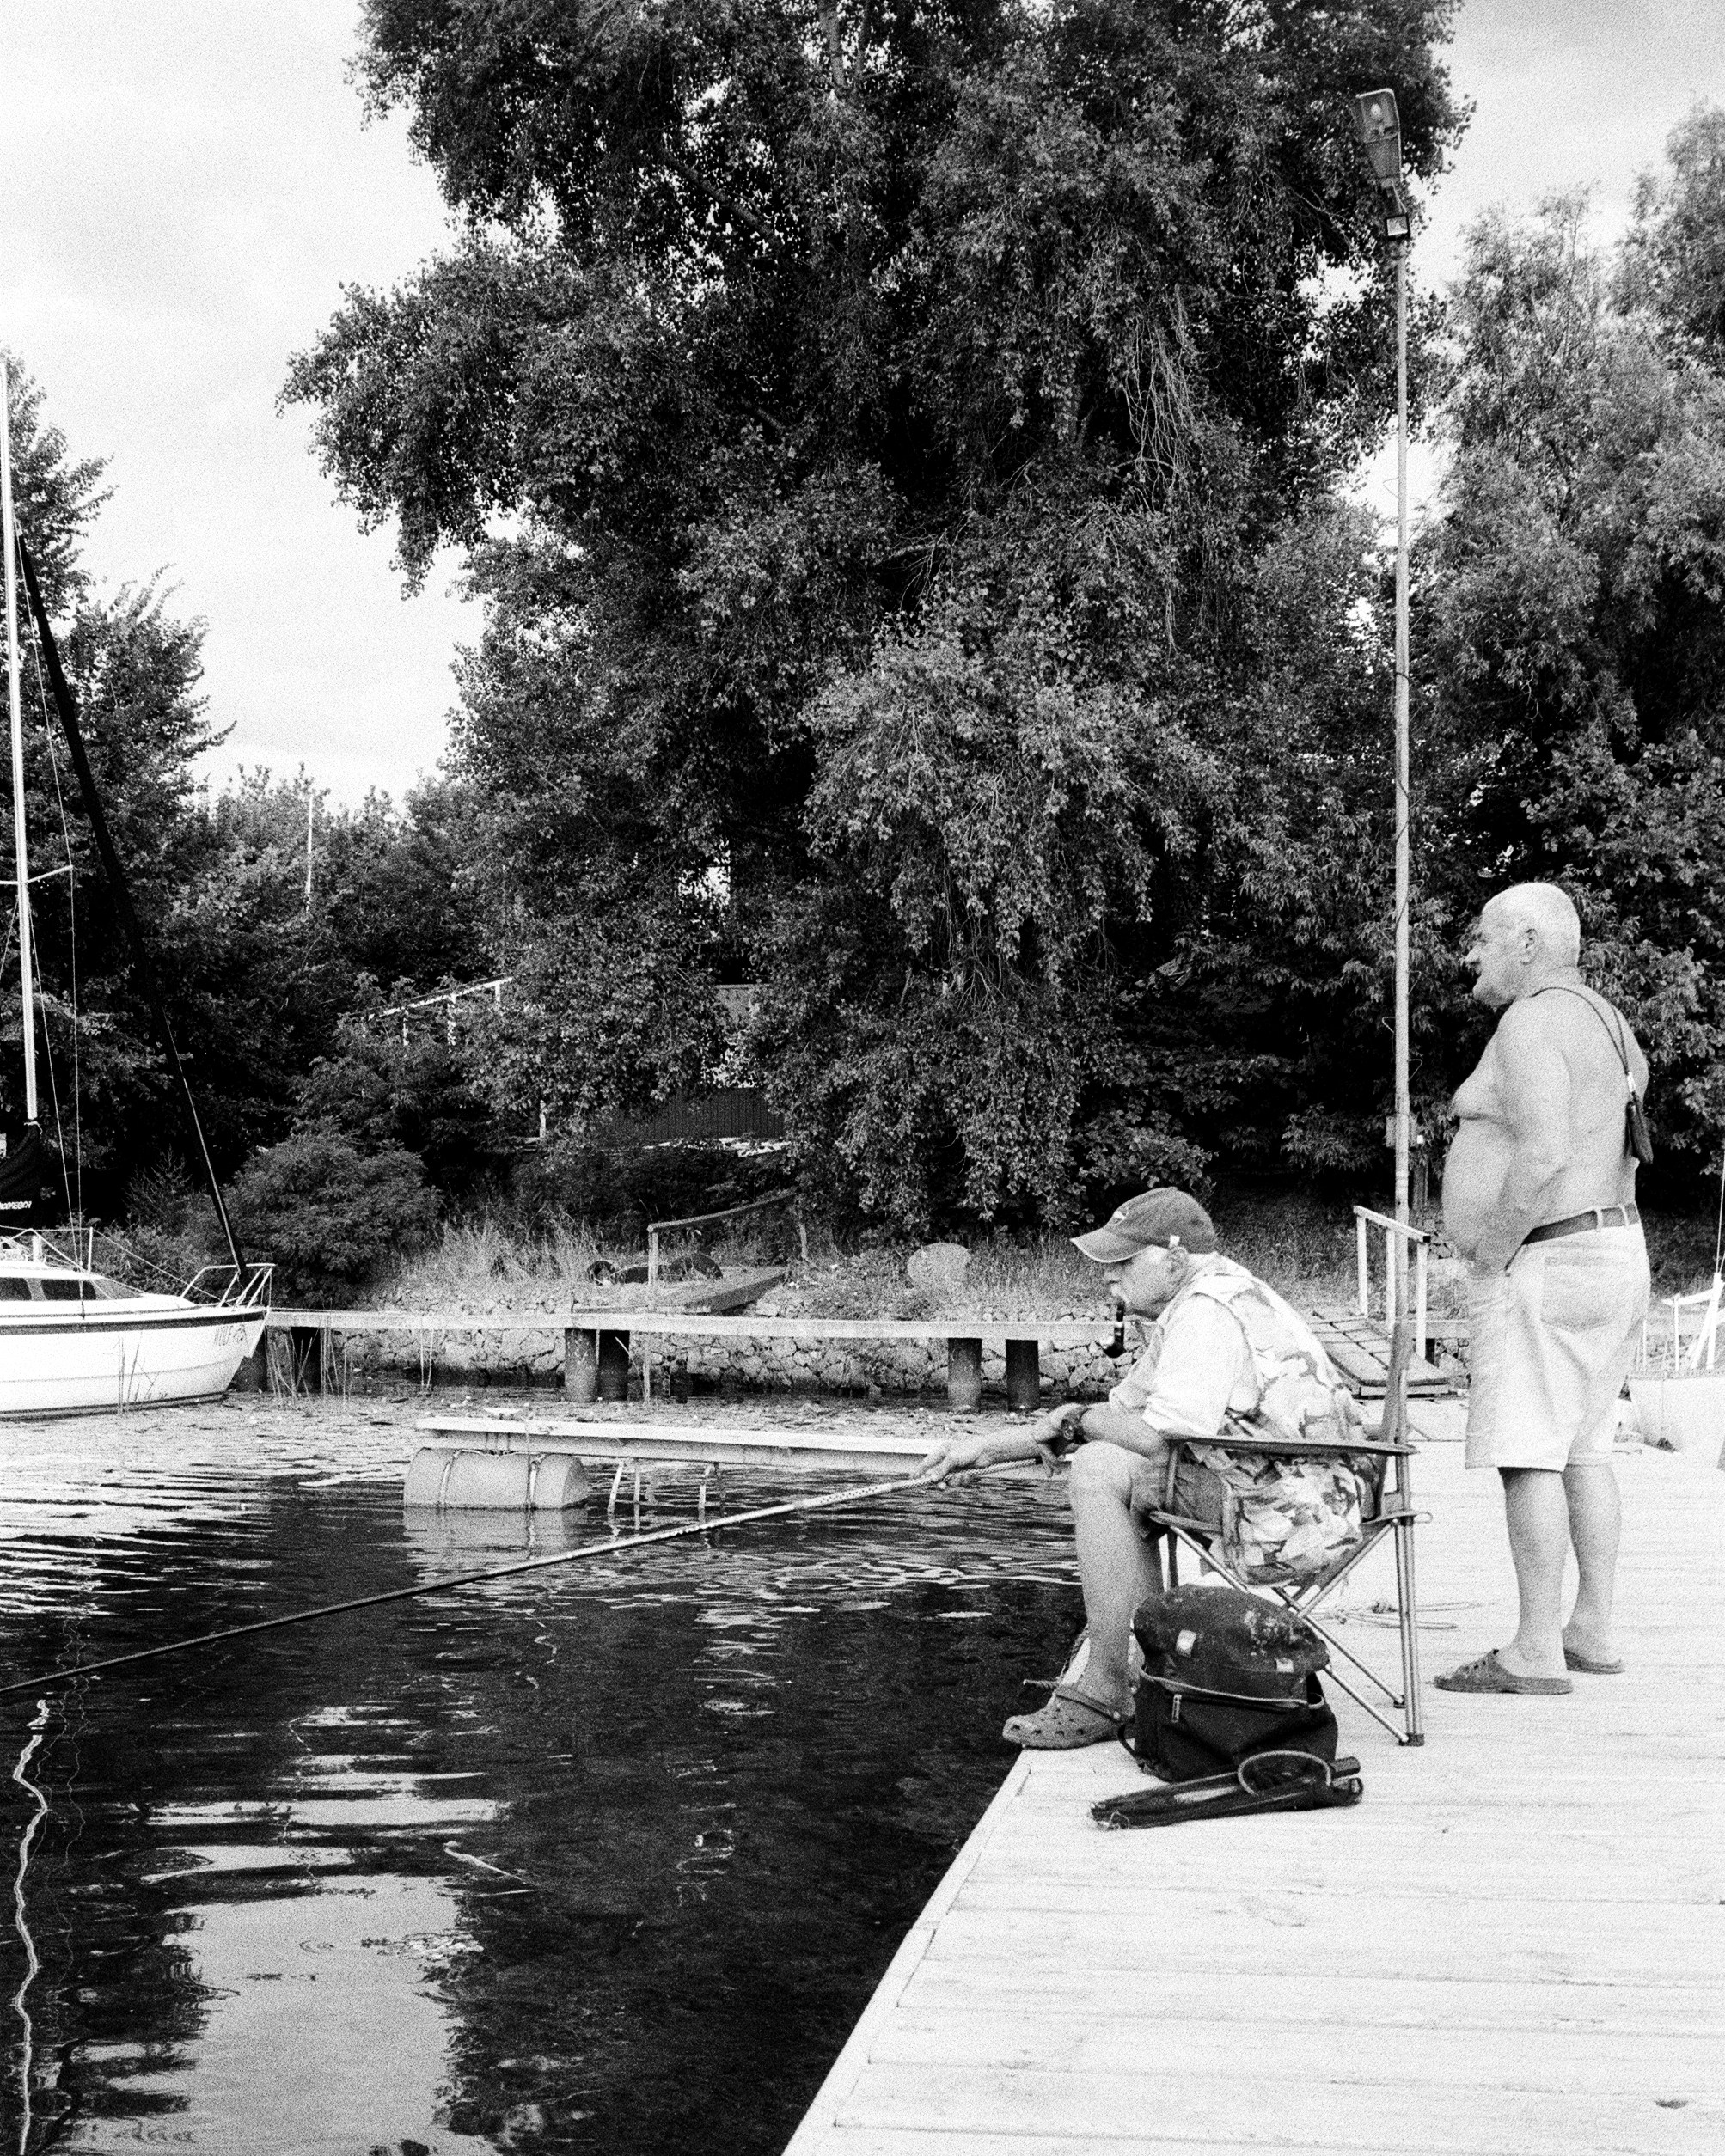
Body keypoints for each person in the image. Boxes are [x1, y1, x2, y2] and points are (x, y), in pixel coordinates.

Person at [920, 1188, 1365, 1748]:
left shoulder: (1205, 1313)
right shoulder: (1203, 1298)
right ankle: (1145, 1672)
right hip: (1313, 1501)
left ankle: (1108, 1688)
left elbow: (1151, 1437)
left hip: (1295, 1521)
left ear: (1174, 1259)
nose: (1110, 1277)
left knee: (1102, 1467)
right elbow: (1123, 1411)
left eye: (1124, 1261)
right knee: (1112, 1458)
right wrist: (985, 1448)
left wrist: (1080, 1422)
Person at [1435, 882, 1651, 1696]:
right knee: (1584, 1445)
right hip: (1612, 1246)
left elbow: (1543, 1154)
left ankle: (1533, 1648)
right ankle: (1590, 1627)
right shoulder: (1608, 1021)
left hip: (1552, 1256)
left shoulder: (1529, 1021)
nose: (1472, 954)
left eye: (1484, 937)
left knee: (1526, 1450)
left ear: (1526, 940)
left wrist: (1486, 1261)